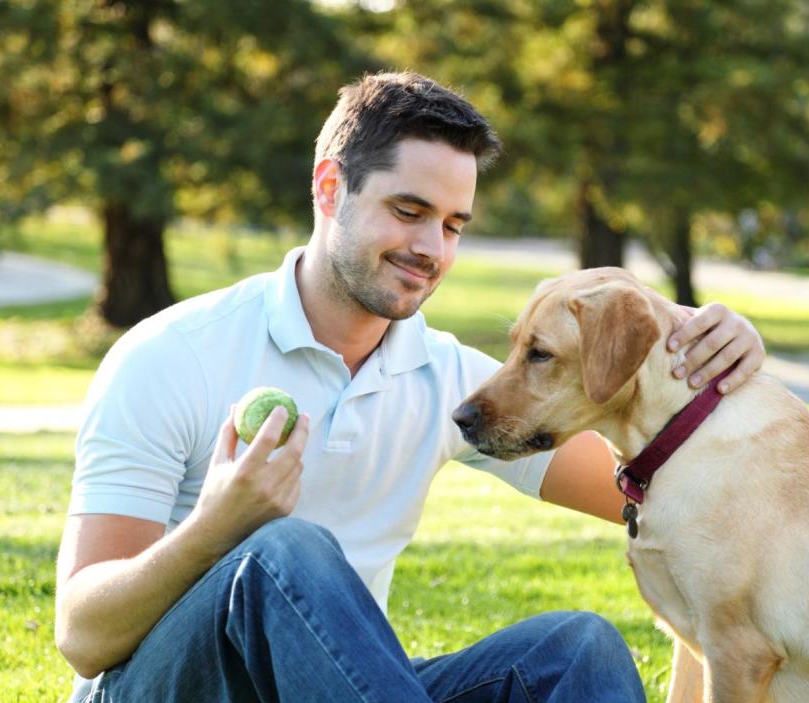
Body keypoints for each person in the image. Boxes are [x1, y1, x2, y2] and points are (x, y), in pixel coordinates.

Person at [55, 71, 764, 703]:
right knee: (283, 553)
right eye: (408, 211)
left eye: (453, 225)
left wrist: (716, 364)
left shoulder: (446, 377)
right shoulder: (173, 355)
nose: (433, 249)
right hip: (159, 686)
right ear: (331, 188)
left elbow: (656, 490)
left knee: (575, 649)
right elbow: (84, 636)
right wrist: (217, 527)